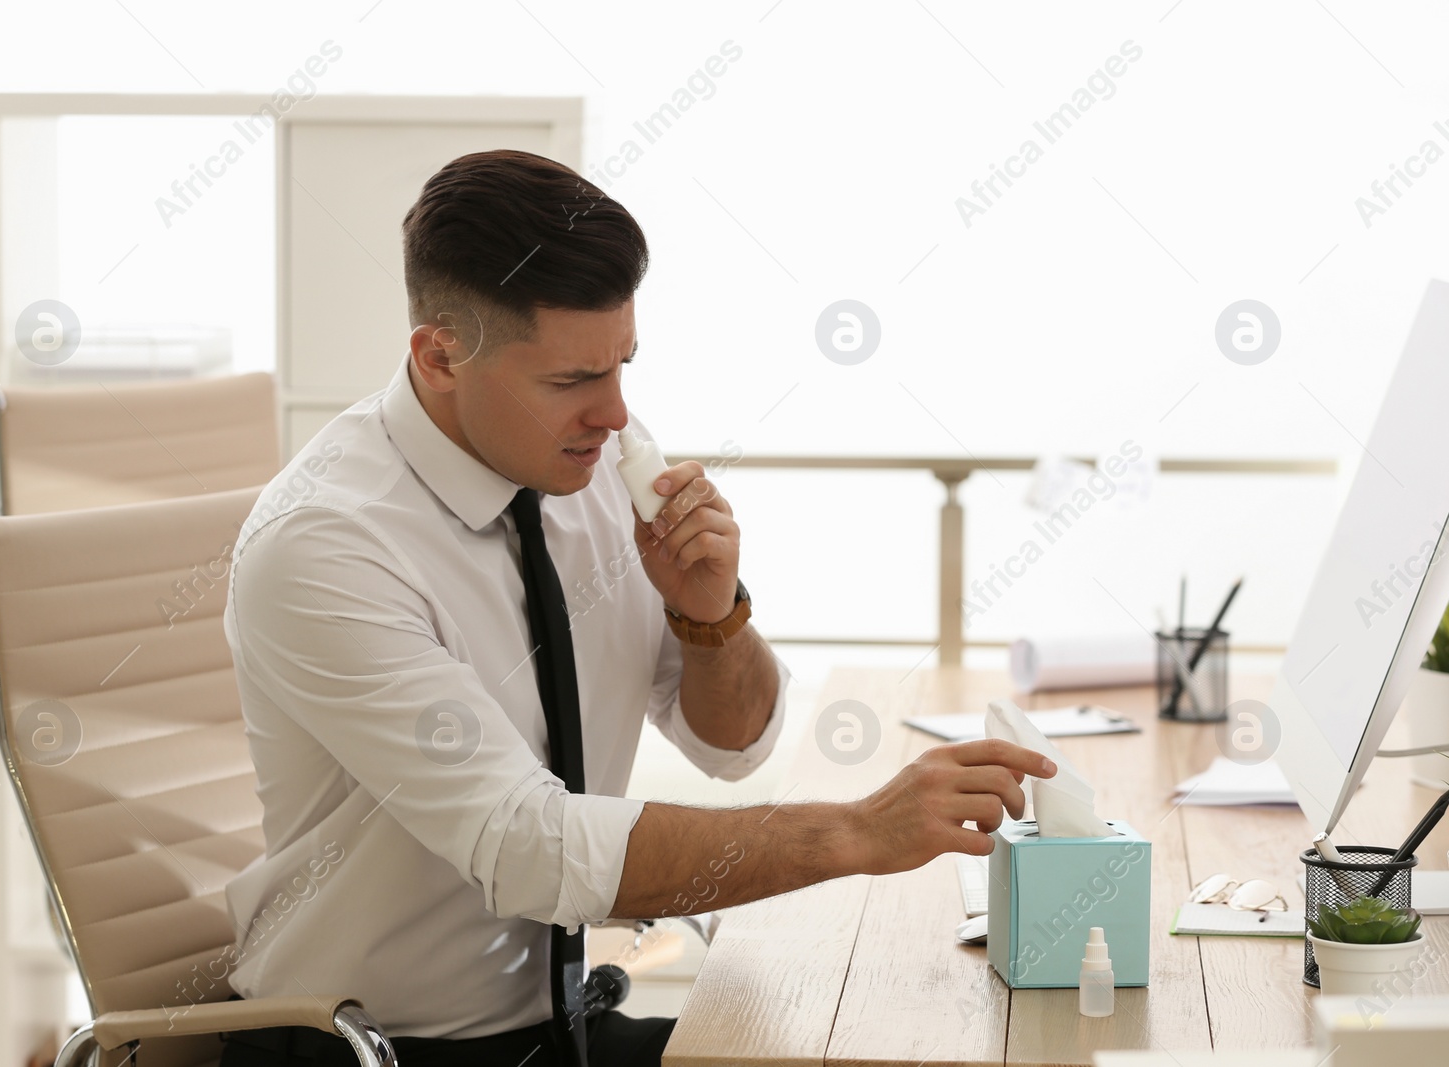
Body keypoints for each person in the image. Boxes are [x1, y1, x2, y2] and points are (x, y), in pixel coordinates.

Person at [217, 149, 1055, 1067]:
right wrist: (858, 828)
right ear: (440, 353)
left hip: (558, 1025)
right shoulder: (327, 545)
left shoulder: (588, 469)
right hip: (375, 1048)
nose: (617, 413)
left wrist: (711, 619)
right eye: (573, 380)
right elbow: (533, 852)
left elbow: (731, 746)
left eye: (623, 366)